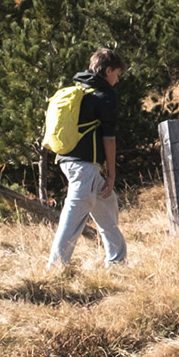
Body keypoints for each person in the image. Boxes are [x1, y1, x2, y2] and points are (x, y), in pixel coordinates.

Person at [43, 47, 129, 274]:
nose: (117, 80)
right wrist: (111, 174)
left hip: (66, 160)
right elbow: (109, 140)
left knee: (107, 202)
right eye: (117, 75)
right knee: (74, 214)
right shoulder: (105, 95)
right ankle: (55, 268)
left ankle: (117, 263)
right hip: (84, 166)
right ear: (108, 70)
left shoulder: (79, 89)